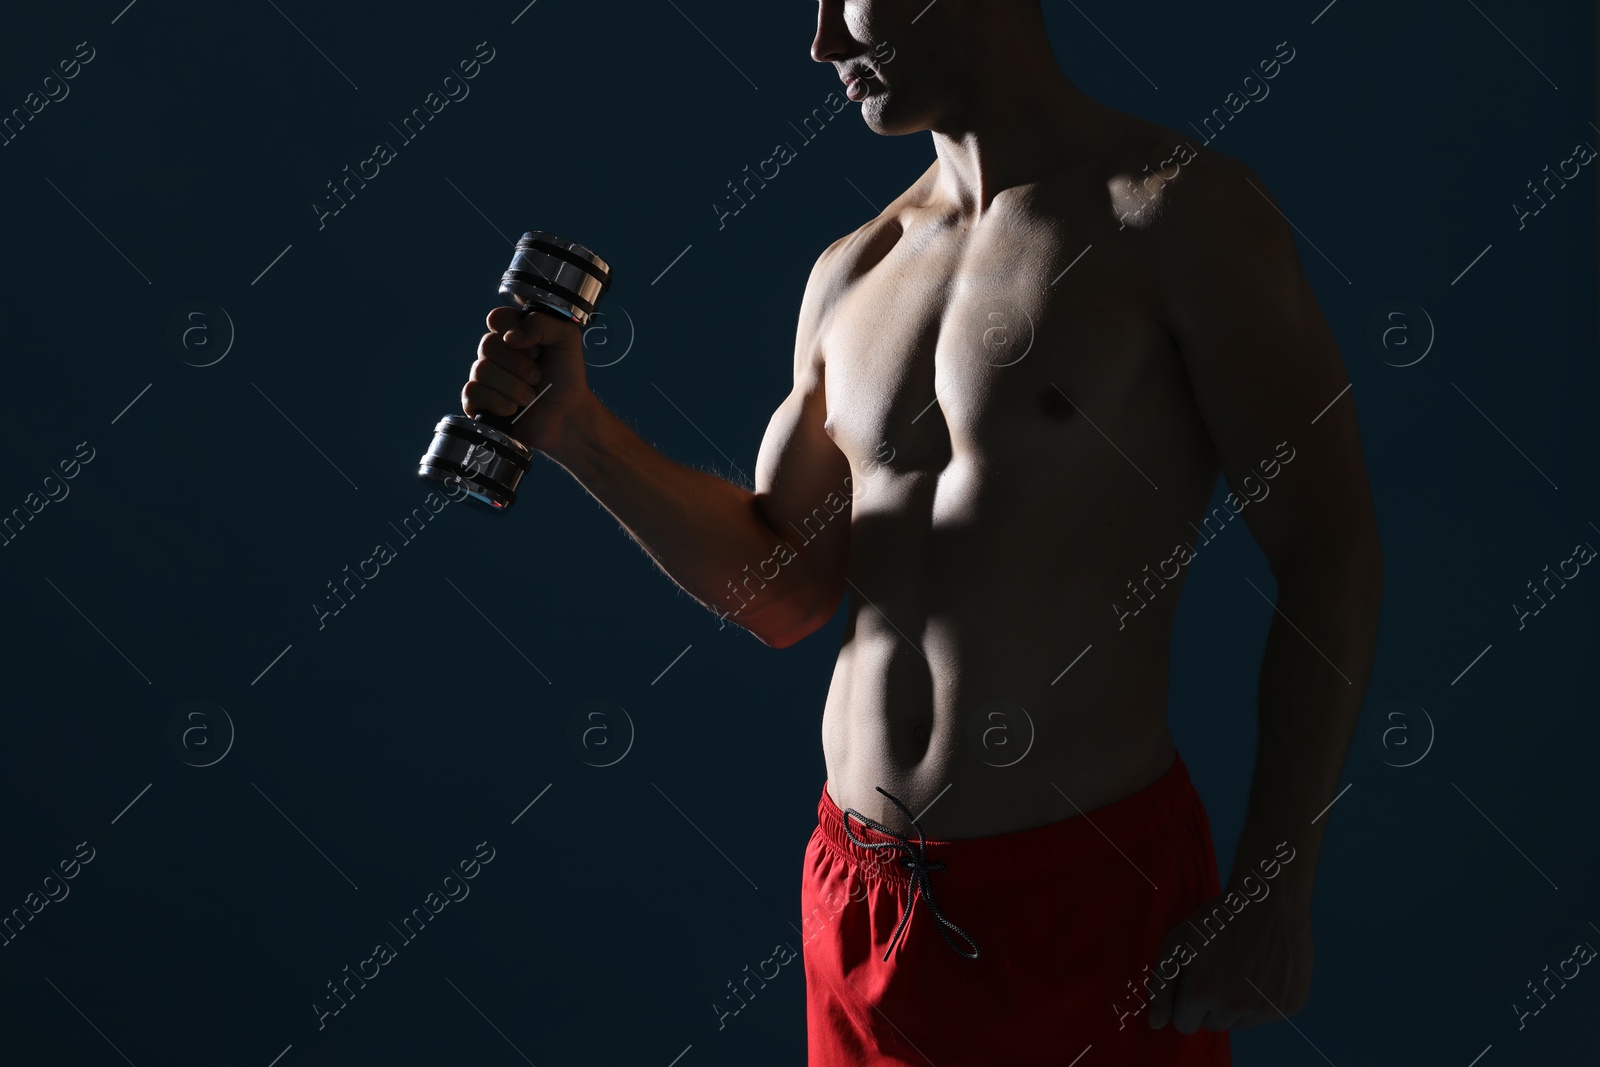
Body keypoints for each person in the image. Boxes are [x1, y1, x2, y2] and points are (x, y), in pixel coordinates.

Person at [460, 1, 1383, 1061]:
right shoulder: (853, 272)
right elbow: (785, 589)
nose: (820, 43)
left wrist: (1274, 883)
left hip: (1080, 901)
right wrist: (579, 433)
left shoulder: (1173, 213)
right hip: (855, 904)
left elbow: (1329, 548)